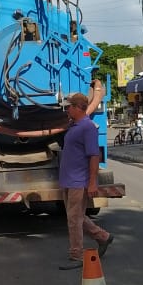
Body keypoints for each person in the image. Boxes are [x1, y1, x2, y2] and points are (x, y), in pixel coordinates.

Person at [58, 93, 113, 270]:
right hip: (68, 180)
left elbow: (94, 156)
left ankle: (77, 254)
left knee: (74, 219)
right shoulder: (74, 126)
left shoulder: (87, 127)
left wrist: (92, 183)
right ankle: (103, 236)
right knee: (76, 216)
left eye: (69, 107)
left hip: (78, 181)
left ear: (77, 107)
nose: (67, 109)